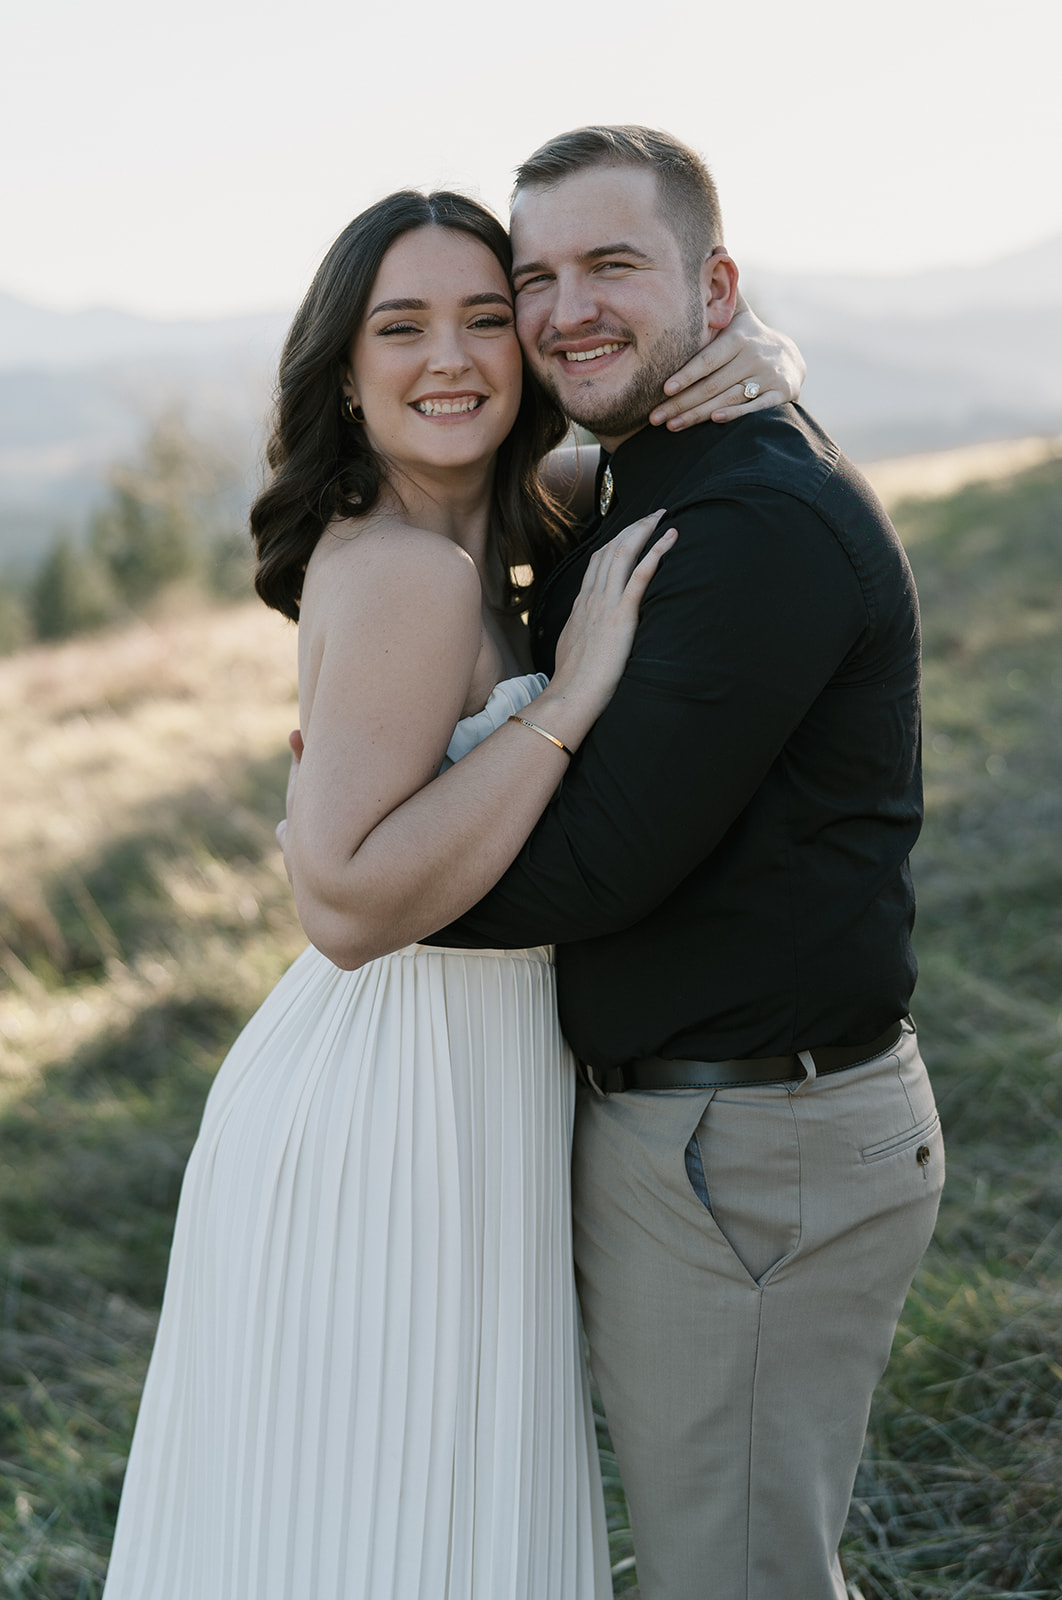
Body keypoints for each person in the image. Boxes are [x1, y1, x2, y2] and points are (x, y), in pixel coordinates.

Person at [101, 188, 801, 1600]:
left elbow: (653, 429)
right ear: (343, 372)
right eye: (400, 325)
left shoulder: (504, 524)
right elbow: (346, 909)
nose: (453, 357)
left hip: (467, 1082)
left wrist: (764, 358)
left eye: (488, 318)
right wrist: (570, 703)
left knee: (396, 1512)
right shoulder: (410, 573)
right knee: (384, 1521)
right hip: (388, 1102)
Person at [413, 127, 946, 1600]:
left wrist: (357, 888)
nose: (566, 306)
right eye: (536, 276)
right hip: (696, 1135)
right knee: (707, 1551)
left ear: (713, 286)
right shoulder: (649, 476)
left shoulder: (746, 519)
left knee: (738, 1577)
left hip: (753, 1153)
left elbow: (593, 869)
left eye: (612, 266)